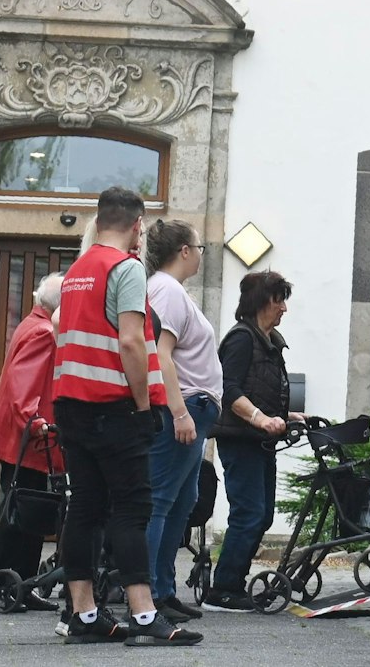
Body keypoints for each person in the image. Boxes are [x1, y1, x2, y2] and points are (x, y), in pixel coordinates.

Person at [50, 187, 202, 646]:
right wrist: (142, 405)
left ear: (98, 222)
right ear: (138, 226)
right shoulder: (126, 268)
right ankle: (144, 616)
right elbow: (132, 341)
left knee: (85, 508)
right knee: (133, 508)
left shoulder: (77, 271)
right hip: (113, 406)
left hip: (71, 404)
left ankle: (84, 614)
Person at [202, 270, 301, 613]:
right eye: (279, 300)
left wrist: (286, 416)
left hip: (259, 441)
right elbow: (228, 389)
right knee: (249, 513)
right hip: (240, 440)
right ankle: (223, 589)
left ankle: (233, 582)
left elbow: (260, 389)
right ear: (261, 302)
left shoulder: (268, 341)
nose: (284, 308)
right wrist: (260, 418)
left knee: (262, 515)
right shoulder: (242, 339)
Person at [141, 218, 222, 623]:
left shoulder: (171, 290)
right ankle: (149, 593)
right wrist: (179, 412)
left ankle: (163, 589)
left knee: (181, 501)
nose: (201, 256)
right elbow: (160, 354)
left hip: (192, 409)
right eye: (199, 248)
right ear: (185, 251)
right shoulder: (168, 290)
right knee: (161, 501)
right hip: (184, 408)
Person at [0, 272, 66, 611]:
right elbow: (22, 383)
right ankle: (0, 586)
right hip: (26, 439)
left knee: (26, 512)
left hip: (23, 438)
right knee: (19, 514)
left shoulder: (32, 323)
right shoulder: (43, 332)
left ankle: (20, 585)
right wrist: (34, 420)